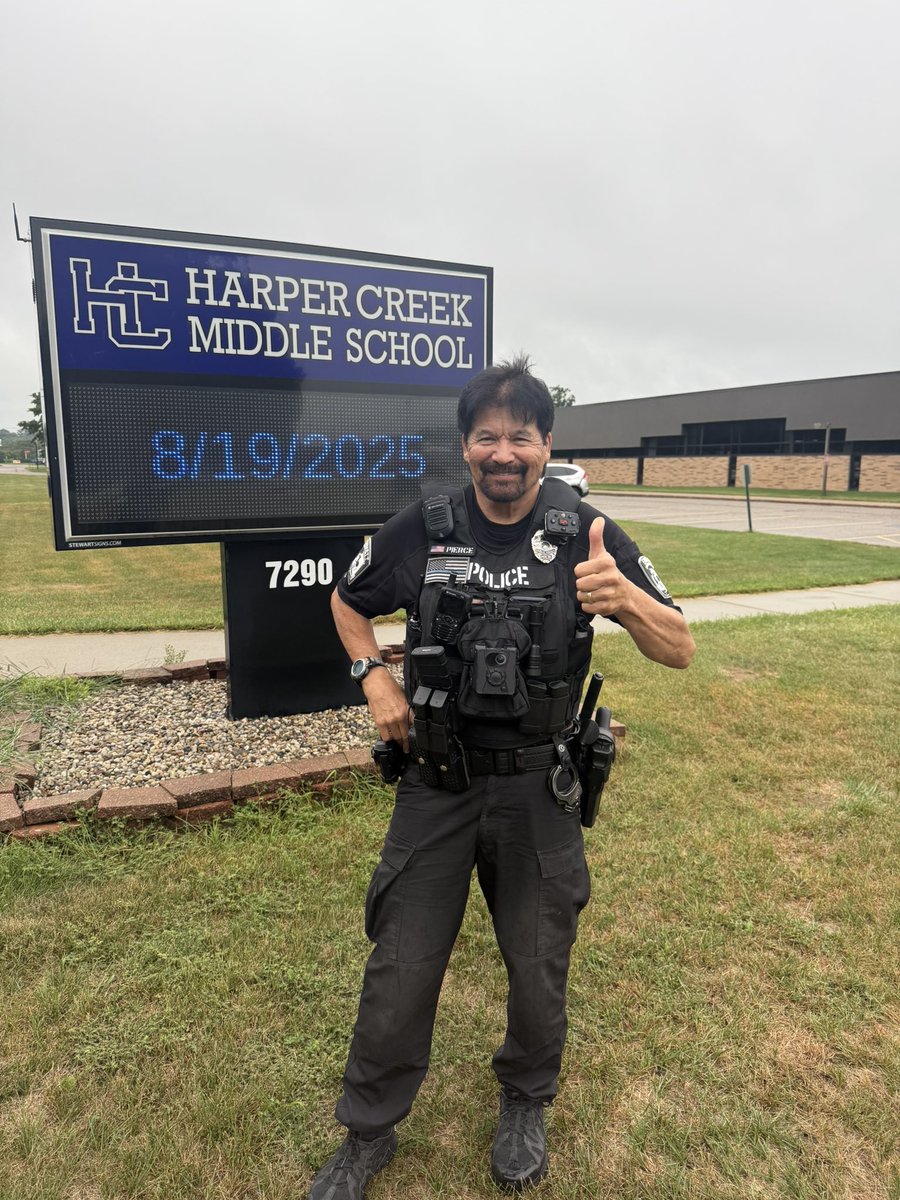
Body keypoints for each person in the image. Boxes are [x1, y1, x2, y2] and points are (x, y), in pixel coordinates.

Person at [309, 356, 695, 1197]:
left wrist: (624, 599)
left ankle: (525, 1100)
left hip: (538, 790)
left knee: (537, 958)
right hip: (437, 783)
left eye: (521, 436)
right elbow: (346, 601)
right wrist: (373, 677)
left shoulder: (586, 532)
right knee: (402, 961)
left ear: (546, 444)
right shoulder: (424, 526)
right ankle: (369, 1131)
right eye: (487, 436)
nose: (504, 453)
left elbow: (680, 646)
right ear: (466, 447)